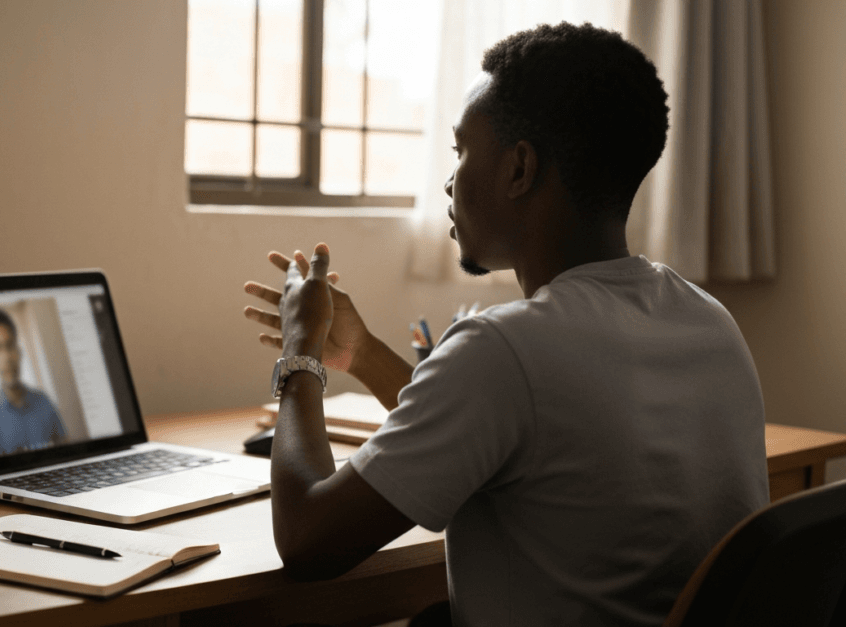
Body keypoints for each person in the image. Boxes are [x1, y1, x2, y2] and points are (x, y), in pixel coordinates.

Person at [242, 22, 768, 627]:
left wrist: (300, 357)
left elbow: (309, 540)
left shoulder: (505, 348)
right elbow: (498, 431)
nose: (449, 178)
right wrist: (362, 354)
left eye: (462, 151)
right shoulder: (708, 321)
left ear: (519, 169)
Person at [0, 308, 66, 459]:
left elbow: (65, 449)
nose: (7, 357)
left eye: (10, 345)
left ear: (19, 351)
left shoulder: (44, 401)